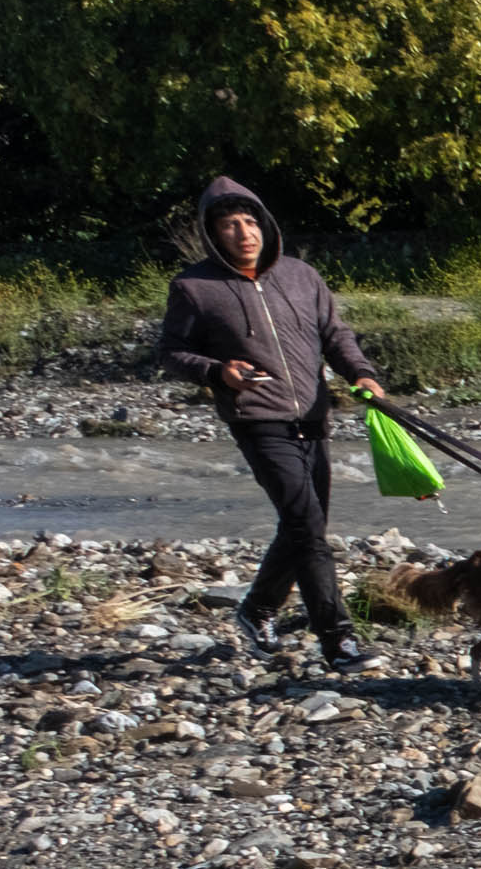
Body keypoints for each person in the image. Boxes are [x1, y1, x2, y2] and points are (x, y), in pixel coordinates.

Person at [160, 175, 387, 672]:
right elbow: (172, 351)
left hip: (312, 415)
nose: (243, 232)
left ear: (265, 224)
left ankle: (257, 609)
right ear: (212, 233)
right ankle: (339, 642)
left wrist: (362, 375)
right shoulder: (194, 287)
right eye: (228, 225)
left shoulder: (302, 276)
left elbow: (335, 333)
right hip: (257, 419)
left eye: (249, 221)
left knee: (305, 523)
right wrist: (218, 372)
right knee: (308, 528)